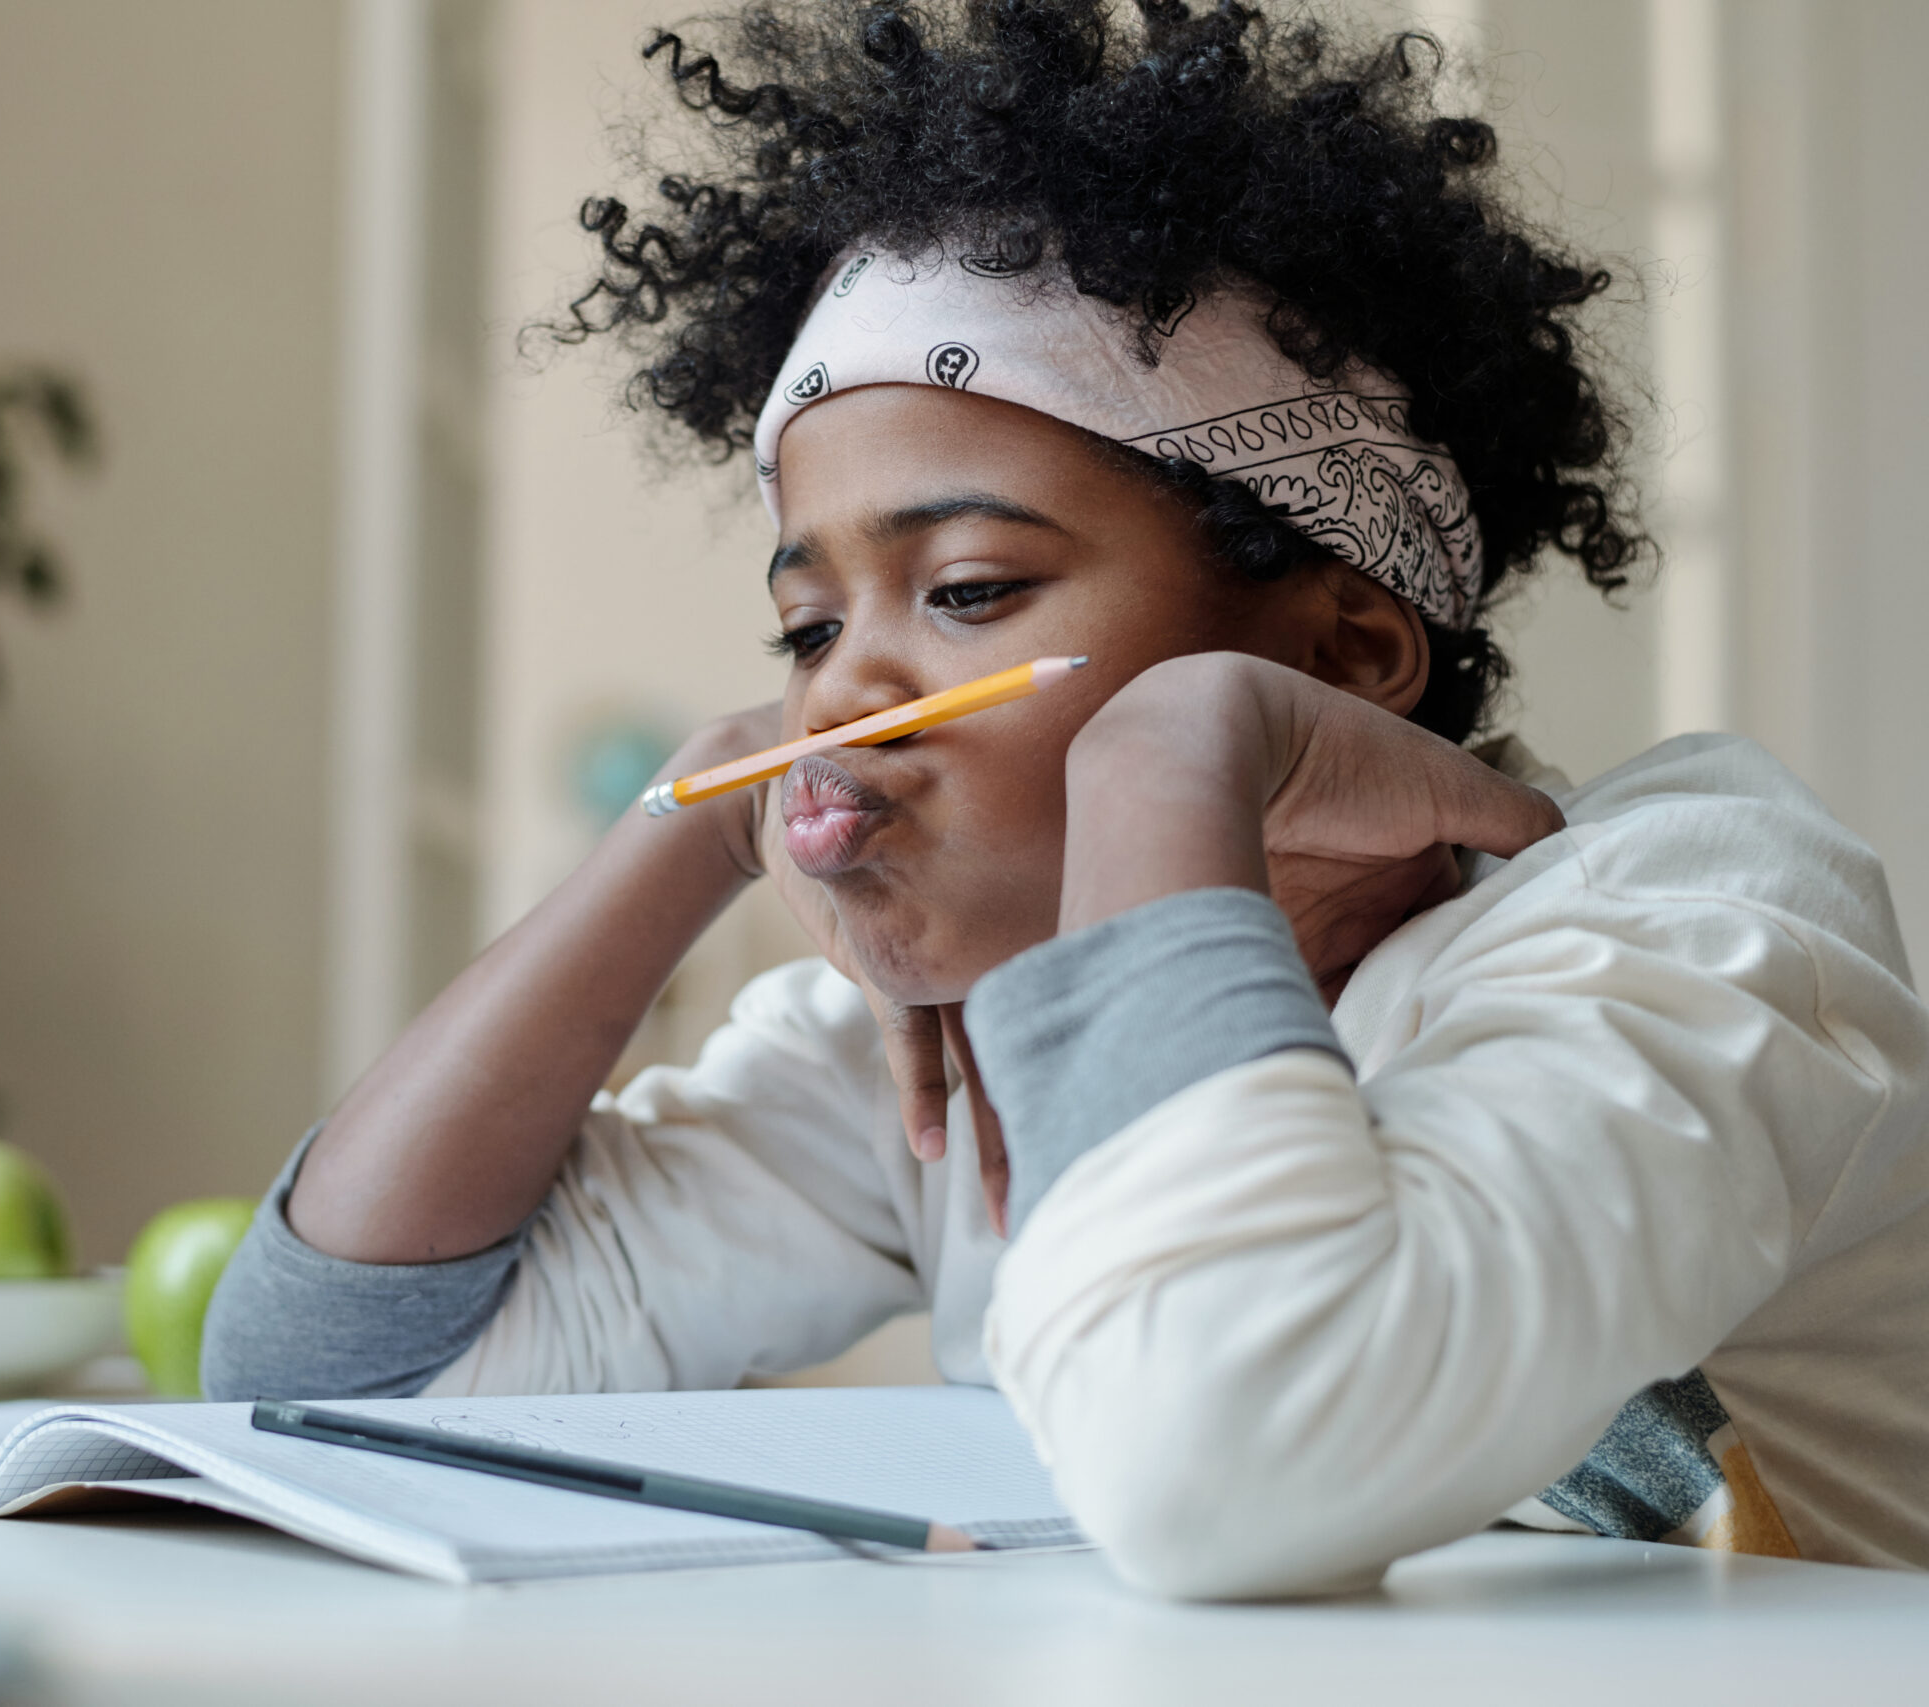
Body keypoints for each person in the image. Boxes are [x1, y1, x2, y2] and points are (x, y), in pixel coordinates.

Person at [205, 0, 1929, 1594]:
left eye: (966, 591)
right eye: (807, 628)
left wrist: (1168, 763)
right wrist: (696, 814)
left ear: (1344, 654)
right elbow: (338, 1372)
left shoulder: (1691, 920)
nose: (846, 695)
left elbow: (1224, 1464)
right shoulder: (958, 1052)